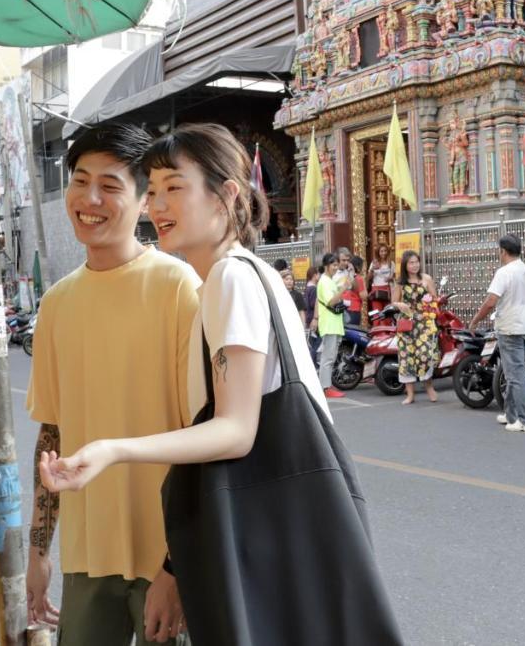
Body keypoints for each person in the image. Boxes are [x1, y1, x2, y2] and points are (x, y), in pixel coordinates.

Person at [39, 123, 400, 644]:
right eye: (155, 189)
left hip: (264, 530)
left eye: (175, 188)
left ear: (226, 194)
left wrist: (113, 450)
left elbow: (234, 431)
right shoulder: (229, 278)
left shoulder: (229, 279)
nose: (159, 205)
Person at [25, 123, 200, 645]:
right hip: (87, 554)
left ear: (144, 198)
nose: (91, 199)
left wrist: (178, 565)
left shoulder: (178, 286)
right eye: (80, 181)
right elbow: (52, 436)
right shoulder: (56, 302)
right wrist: (39, 552)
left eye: (110, 185)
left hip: (166, 561)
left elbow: (203, 436)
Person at [468, 234, 525, 432]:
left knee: (515, 375)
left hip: (510, 327)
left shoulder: (504, 272)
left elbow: (491, 301)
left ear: (503, 251)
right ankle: (510, 414)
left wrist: (475, 320)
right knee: (512, 372)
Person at [393, 250, 439, 405]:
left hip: (424, 323)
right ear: (405, 265)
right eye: (411, 263)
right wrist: (400, 305)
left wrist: (430, 301)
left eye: (416, 262)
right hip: (406, 324)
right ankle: (410, 394)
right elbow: (393, 302)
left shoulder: (426, 279)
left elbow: (435, 299)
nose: (414, 265)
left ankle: (429, 387)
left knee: (425, 354)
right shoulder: (400, 283)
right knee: (406, 358)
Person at [316, 253, 349, 399]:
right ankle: (325, 388)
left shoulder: (329, 280)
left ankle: (327, 385)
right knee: (328, 358)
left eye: (337, 265)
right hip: (329, 324)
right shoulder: (324, 281)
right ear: (326, 266)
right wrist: (343, 289)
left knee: (330, 356)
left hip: (334, 324)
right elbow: (331, 301)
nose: (336, 268)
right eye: (333, 265)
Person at [303, 264, 321, 367]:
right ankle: (313, 365)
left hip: (309, 317)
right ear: (314, 275)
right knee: (315, 344)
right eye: (318, 274)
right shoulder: (313, 289)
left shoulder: (307, 287)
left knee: (313, 343)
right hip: (313, 318)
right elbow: (313, 304)